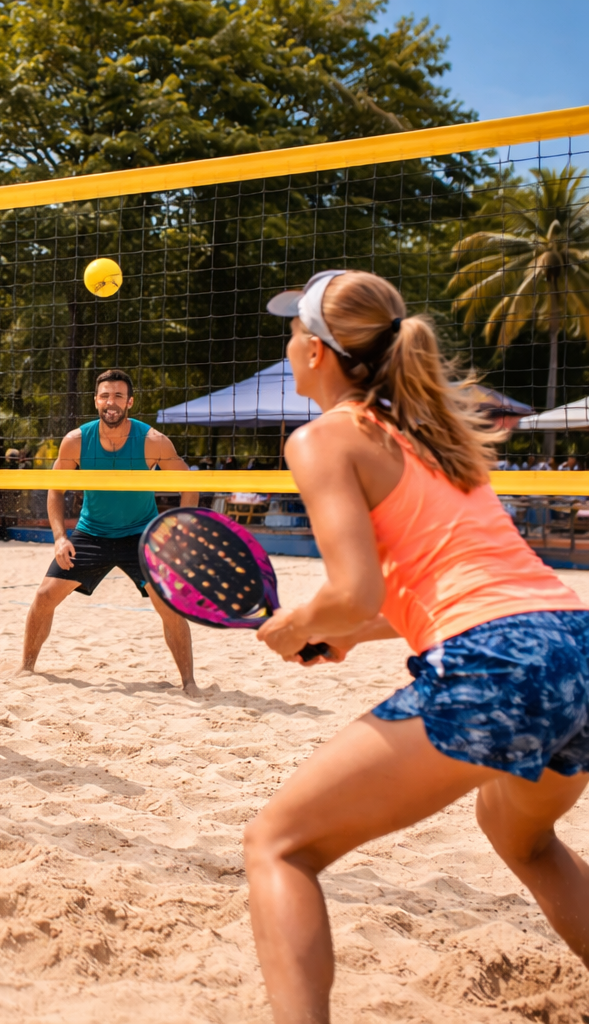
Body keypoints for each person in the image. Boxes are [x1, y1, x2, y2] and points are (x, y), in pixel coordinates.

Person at [243, 269, 589, 1024]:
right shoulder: (431, 437)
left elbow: (352, 593)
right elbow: (436, 589)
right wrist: (350, 636)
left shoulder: (324, 437)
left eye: (292, 331)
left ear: (318, 350)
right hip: (574, 646)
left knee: (278, 847)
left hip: (500, 661)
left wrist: (300, 625)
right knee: (522, 839)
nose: (287, 345)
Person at [15, 368, 203, 696]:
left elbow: (190, 483)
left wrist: (177, 532)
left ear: (130, 402)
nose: (110, 402)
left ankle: (189, 683)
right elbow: (56, 490)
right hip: (92, 533)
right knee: (44, 597)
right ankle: (26, 668)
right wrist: (60, 537)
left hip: (141, 535)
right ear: (96, 401)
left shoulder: (152, 441)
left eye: (118, 396)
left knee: (168, 605)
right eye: (105, 396)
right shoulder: (76, 441)